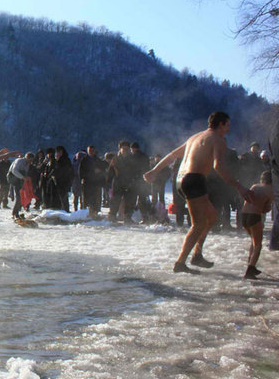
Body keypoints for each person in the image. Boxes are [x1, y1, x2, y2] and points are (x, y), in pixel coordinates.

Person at [144, 111, 254, 273]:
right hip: (194, 180)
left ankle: (197, 254)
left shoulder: (195, 137)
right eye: (228, 125)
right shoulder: (218, 140)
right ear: (221, 124)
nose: (229, 128)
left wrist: (155, 170)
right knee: (198, 224)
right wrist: (239, 187)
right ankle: (180, 262)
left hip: (181, 180)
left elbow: (173, 155)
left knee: (211, 216)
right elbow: (218, 166)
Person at [242, 171, 273, 279]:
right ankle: (250, 269)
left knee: (253, 241)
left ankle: (250, 264)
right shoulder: (270, 190)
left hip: (244, 216)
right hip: (254, 217)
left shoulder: (255, 186)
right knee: (258, 245)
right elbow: (266, 209)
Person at [108, 141, 138, 222]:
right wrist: (110, 181)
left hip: (129, 182)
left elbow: (136, 171)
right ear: (120, 149)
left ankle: (127, 217)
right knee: (115, 200)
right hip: (118, 182)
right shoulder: (115, 158)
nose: (125, 150)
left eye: (127, 149)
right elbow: (110, 171)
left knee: (129, 201)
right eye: (123, 148)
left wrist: (134, 180)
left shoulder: (132, 158)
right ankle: (112, 216)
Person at [80, 145, 106, 217]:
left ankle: (95, 212)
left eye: (92, 151)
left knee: (96, 198)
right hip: (87, 182)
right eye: (89, 151)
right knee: (87, 198)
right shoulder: (84, 160)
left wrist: (99, 172)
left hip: (96, 183)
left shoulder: (98, 160)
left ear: (94, 151)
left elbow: (103, 170)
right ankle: (86, 212)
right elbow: (81, 171)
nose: (91, 152)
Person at [8, 152, 34, 219]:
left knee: (21, 196)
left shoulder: (27, 164)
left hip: (19, 179)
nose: (31, 162)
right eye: (30, 160)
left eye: (32, 160)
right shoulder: (19, 161)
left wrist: (27, 177)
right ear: (27, 158)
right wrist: (23, 177)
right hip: (13, 177)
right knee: (19, 197)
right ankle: (15, 213)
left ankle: (15, 212)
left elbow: (25, 173)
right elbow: (14, 170)